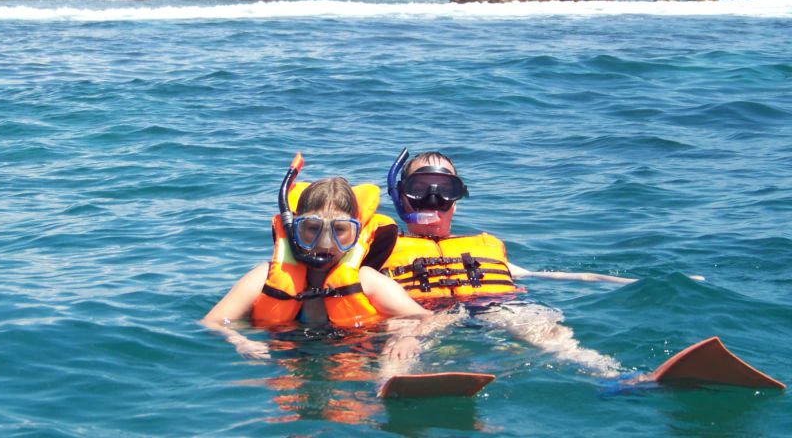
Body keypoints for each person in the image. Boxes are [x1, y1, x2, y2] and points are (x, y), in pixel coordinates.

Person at [380, 148, 642, 376]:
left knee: (544, 330)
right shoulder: (383, 248)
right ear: (401, 197)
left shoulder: (483, 248)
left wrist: (635, 282)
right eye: (419, 189)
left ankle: (612, 375)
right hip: (419, 311)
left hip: (491, 305)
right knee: (401, 337)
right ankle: (392, 382)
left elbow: (570, 277)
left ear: (457, 202)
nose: (433, 198)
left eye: (446, 189)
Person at [203, 156, 433, 361]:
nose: (325, 242)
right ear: (294, 230)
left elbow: (426, 318)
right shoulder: (263, 277)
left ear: (357, 234)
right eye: (312, 228)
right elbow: (211, 323)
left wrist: (406, 338)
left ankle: (390, 382)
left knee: (400, 329)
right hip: (288, 359)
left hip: (356, 357)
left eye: (340, 230)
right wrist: (240, 341)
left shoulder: (367, 281)